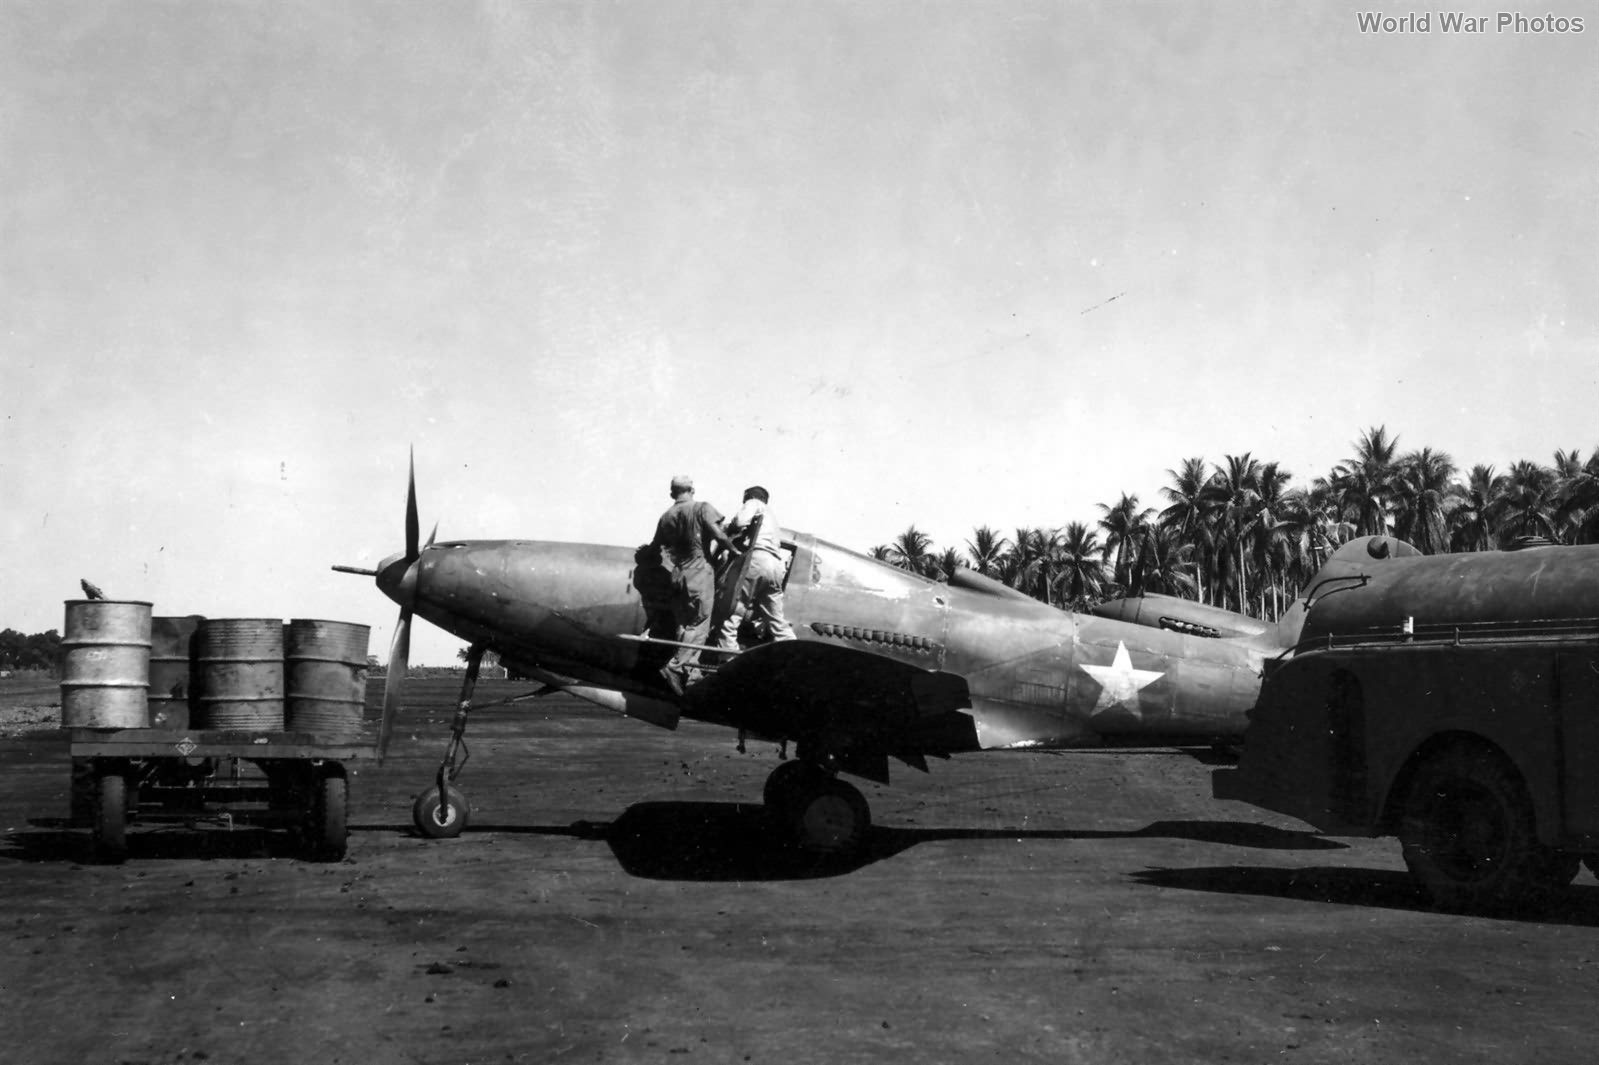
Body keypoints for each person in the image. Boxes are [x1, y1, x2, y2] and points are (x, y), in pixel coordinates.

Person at [650, 475, 737, 694]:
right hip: (699, 572)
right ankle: (676, 667)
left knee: (683, 624)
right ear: (693, 489)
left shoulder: (666, 516)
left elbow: (655, 547)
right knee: (699, 624)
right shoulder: (702, 508)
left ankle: (692, 672)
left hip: (677, 575)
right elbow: (719, 535)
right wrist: (735, 550)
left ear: (672, 493)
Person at [715, 485, 796, 652]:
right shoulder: (773, 518)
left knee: (731, 612)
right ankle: (794, 651)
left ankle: (727, 659)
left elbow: (739, 522)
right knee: (776, 620)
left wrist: (731, 530)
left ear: (749, 497)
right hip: (775, 565)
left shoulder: (754, 503)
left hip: (756, 560)